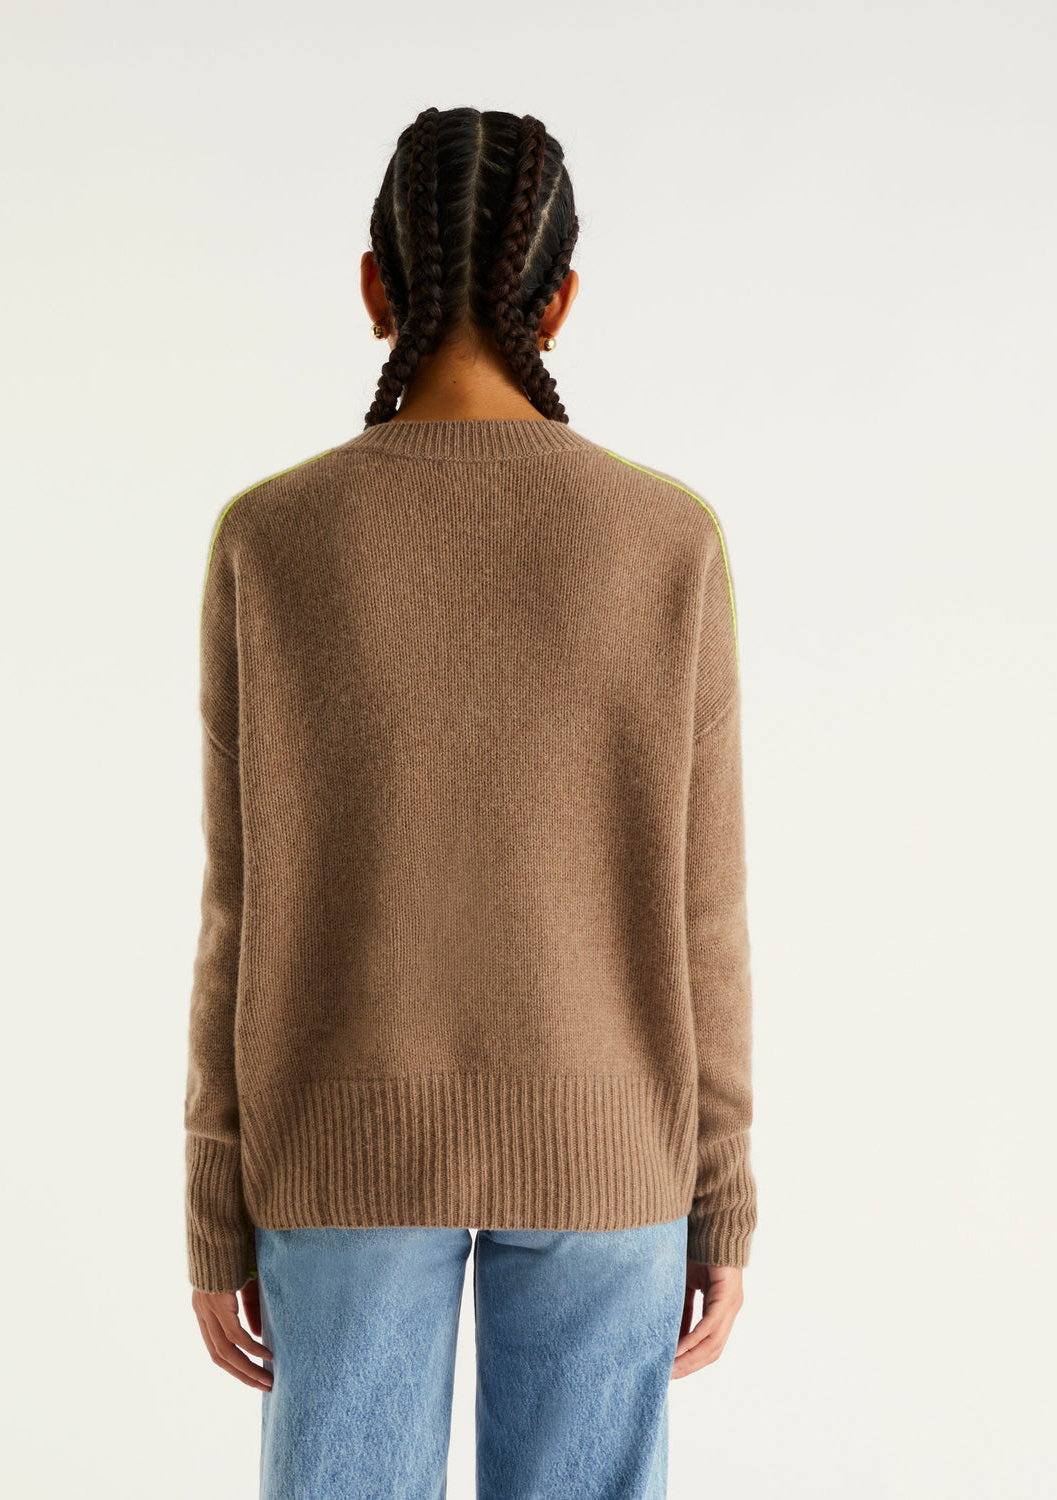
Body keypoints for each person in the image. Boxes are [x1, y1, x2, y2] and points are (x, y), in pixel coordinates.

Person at [184, 105, 757, 1499]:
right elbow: (707, 908)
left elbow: (237, 904)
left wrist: (215, 1197)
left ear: (374, 285)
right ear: (560, 302)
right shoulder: (667, 540)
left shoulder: (273, 538)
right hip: (611, 1142)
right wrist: (722, 1189)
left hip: (341, 1150)